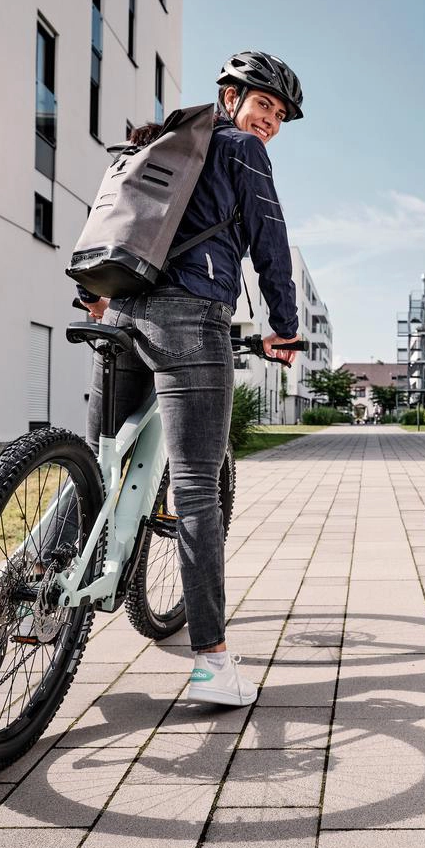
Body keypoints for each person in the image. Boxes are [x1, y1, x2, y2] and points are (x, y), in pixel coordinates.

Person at [77, 51, 304, 707]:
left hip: (119, 307)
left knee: (101, 464)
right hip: (191, 317)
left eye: (281, 115)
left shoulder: (165, 144)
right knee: (199, 487)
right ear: (230, 97)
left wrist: (91, 295)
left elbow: (111, 223)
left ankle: (33, 586)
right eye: (264, 105)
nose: (272, 122)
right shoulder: (240, 152)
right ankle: (210, 663)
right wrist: (284, 329)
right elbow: (270, 245)